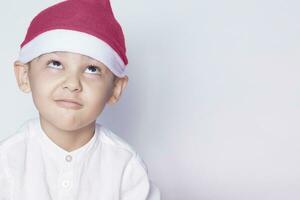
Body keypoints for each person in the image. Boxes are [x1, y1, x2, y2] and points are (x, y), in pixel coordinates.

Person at [0, 0, 160, 199]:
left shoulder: (126, 167)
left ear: (115, 88)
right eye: (56, 63)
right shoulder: (7, 162)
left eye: (92, 69)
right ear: (24, 76)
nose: (73, 83)